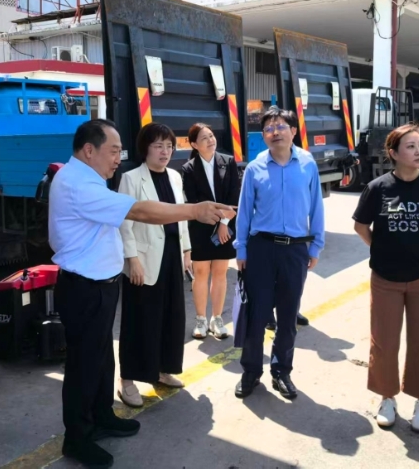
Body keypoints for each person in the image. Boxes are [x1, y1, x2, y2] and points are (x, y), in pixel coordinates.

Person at [49, 119, 236, 468]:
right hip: (84, 288)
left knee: (101, 359)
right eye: (113, 151)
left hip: (99, 286)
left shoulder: (90, 178)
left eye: (120, 151)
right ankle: (77, 438)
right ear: (89, 150)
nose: (117, 158)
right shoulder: (78, 184)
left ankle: (102, 416)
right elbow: (138, 211)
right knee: (84, 366)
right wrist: (195, 210)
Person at [352, 123, 419, 434]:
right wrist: (382, 249)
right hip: (386, 278)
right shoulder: (378, 188)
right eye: (410, 147)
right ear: (394, 153)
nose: (418, 152)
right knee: (384, 342)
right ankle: (387, 398)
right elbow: (361, 226)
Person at [233, 107, 325, 401]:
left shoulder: (307, 164)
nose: (275, 132)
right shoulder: (255, 168)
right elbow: (244, 212)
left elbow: (316, 207)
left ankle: (281, 371)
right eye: (269, 128)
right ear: (263, 136)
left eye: (281, 126)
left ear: (293, 131)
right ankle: (250, 372)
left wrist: (316, 246)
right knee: (256, 314)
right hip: (261, 249)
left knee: (287, 316)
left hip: (295, 250)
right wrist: (241, 248)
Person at [117, 123, 191, 408]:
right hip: (144, 258)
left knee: (171, 316)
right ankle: (127, 380)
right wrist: (132, 259)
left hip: (171, 255)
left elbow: (181, 215)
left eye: (169, 146)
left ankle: (163, 369)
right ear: (145, 148)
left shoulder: (175, 176)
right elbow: (124, 222)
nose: (165, 151)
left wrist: (186, 250)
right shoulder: (131, 178)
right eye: (158, 145)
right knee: (140, 320)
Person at [180, 123, 240, 340]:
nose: (210, 141)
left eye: (212, 136)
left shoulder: (228, 162)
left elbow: (234, 195)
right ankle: (201, 320)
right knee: (201, 273)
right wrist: (216, 220)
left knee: (220, 273)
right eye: (204, 138)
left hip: (225, 226)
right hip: (200, 228)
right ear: (194, 144)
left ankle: (217, 318)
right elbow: (193, 201)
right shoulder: (188, 169)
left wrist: (224, 222)